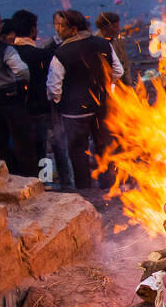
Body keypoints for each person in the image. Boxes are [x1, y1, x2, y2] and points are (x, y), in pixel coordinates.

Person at [47, 10, 122, 191]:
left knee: (78, 152)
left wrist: (60, 102)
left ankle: (84, 190)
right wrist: (103, 88)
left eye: (61, 25)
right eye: (55, 24)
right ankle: (109, 186)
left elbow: (53, 88)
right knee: (104, 148)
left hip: (74, 113)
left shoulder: (61, 53)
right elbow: (118, 71)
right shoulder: (103, 44)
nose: (57, 29)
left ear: (73, 28)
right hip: (101, 107)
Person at [6, 10, 67, 185]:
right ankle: (65, 183)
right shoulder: (42, 55)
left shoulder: (8, 54)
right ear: (33, 31)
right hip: (43, 109)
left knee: (35, 150)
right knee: (54, 147)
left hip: (19, 111)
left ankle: (43, 183)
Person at [0, 20, 33, 177]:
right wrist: (21, 83)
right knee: (23, 141)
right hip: (8, 98)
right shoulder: (4, 49)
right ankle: (29, 178)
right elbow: (22, 70)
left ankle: (8, 177)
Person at [95, 12, 133, 85]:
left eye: (118, 26)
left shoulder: (118, 39)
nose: (118, 29)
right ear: (104, 28)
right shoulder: (95, 44)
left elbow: (124, 63)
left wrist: (128, 83)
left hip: (121, 85)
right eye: (115, 27)